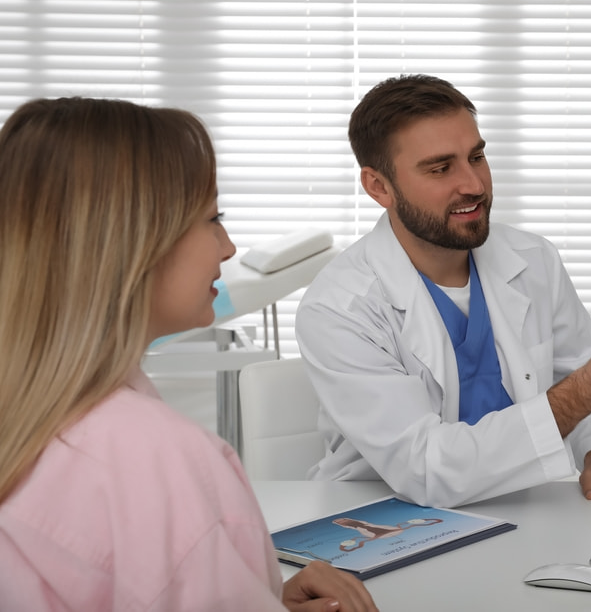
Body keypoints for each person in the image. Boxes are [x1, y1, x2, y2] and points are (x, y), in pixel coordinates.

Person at [0, 97, 378, 612]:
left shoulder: (34, 419)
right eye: (211, 218)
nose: (227, 246)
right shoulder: (160, 461)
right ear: (131, 243)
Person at [296, 74, 591, 508]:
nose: (474, 184)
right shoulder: (339, 308)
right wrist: (587, 391)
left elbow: (574, 371)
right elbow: (424, 468)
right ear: (379, 187)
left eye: (476, 157)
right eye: (441, 168)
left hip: (519, 505)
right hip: (384, 515)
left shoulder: (533, 260)